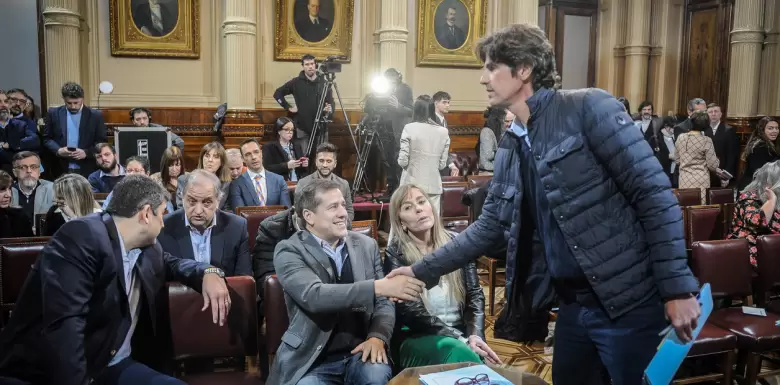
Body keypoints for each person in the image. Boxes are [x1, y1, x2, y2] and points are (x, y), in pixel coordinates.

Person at [386, 24, 700, 385]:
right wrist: (419, 270)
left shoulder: (588, 107)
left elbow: (655, 196)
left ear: (523, 69)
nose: (482, 78)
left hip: (629, 300)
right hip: (572, 304)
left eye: (491, 67)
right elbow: (489, 227)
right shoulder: (511, 143)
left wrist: (677, 288)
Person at [0, 175, 231, 385]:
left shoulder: (149, 247)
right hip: (50, 371)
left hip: (110, 364)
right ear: (146, 214)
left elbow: (172, 264)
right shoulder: (81, 237)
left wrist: (209, 272)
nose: (164, 223)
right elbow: (65, 331)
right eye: (162, 214)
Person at [268, 178, 424, 385]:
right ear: (309, 216)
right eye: (333, 207)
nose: (343, 212)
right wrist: (378, 287)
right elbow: (314, 296)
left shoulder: (367, 245)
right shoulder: (289, 250)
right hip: (312, 360)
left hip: (362, 352)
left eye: (343, 204)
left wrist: (378, 336)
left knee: (375, 376)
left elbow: (385, 303)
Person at [384, 184, 500, 368]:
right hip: (418, 337)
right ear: (401, 222)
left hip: (463, 336)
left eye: (421, 202)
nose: (418, 209)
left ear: (432, 206)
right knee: (459, 355)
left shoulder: (457, 244)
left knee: (471, 360)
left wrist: (475, 335)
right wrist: (460, 339)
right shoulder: (395, 254)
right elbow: (413, 314)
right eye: (408, 207)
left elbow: (475, 295)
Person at [158, 170, 251, 277]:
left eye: (207, 202)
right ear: (182, 198)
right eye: (192, 201)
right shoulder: (162, 227)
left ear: (218, 201)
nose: (198, 211)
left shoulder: (237, 227)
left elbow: (243, 280)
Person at [42, 82, 108, 178]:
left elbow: (101, 141)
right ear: (64, 99)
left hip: (87, 168)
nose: (73, 106)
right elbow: (46, 138)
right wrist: (58, 150)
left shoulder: (95, 115)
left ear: (82, 99)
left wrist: (86, 153)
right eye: (69, 103)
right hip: (60, 167)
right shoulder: (53, 113)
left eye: (76, 103)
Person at [273, 54, 334, 156]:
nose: (310, 66)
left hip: (321, 128)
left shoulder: (324, 82)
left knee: (322, 158)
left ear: (316, 65)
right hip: (302, 128)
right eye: (307, 64)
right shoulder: (296, 82)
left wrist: (330, 110)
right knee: (304, 158)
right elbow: (277, 93)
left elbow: (330, 101)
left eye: (312, 64)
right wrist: (288, 107)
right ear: (303, 66)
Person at [398, 96, 451, 213]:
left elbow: (403, 161)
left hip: (411, 185)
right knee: (432, 223)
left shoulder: (409, 128)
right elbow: (442, 165)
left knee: (409, 223)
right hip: (433, 186)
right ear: (433, 109)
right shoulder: (443, 132)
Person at [728, 161, 780, 268]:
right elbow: (756, 223)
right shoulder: (748, 197)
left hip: (773, 250)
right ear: (770, 184)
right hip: (748, 252)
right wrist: (771, 200)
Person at [296, 142, 354, 223]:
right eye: (321, 161)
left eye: (329, 161)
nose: (325, 165)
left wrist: (338, 224)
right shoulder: (303, 183)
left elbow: (349, 211)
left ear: (335, 164)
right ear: (316, 162)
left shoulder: (343, 184)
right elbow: (298, 212)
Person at [228, 139, 291, 210]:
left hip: (276, 221)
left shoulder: (279, 180)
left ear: (261, 153)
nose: (253, 157)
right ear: (243, 159)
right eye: (248, 154)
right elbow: (239, 215)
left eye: (256, 152)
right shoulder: (236, 184)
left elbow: (286, 212)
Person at [673, 110, 720, 202]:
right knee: (698, 210)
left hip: (684, 179)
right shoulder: (706, 140)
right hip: (701, 181)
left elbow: (677, 160)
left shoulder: (681, 137)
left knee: (685, 208)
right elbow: (713, 166)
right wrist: (717, 160)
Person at [101, 156, 174, 213]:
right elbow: (105, 212)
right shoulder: (117, 191)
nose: (132, 174)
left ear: (147, 174)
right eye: (129, 171)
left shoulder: (158, 192)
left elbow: (169, 215)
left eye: (137, 170)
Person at [176, 142, 233, 210]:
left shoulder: (226, 185)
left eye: (216, 157)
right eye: (207, 155)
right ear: (202, 158)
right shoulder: (184, 180)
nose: (210, 160)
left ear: (222, 162)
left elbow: (227, 212)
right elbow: (181, 208)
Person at [0, 90, 39, 174]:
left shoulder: (24, 124)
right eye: (14, 99)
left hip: (16, 171)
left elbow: (34, 143)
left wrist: (11, 145)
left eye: (22, 101)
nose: (18, 103)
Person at [11, 152, 54, 224]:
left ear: (39, 171)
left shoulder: (53, 189)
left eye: (33, 167)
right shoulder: (8, 191)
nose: (29, 171)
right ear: (15, 172)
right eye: (22, 167)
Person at [738, 117, 780, 190]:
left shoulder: (770, 144)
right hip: (754, 189)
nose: (775, 131)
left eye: (777, 128)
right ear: (762, 130)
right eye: (770, 128)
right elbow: (759, 172)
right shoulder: (760, 147)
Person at [263, 117, 309, 181]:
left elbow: (302, 171)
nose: (290, 132)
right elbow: (267, 169)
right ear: (279, 131)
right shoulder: (269, 147)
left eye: (292, 130)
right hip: (279, 183)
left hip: (297, 183)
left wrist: (304, 165)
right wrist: (286, 166)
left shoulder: (297, 146)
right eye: (286, 129)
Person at [0, 170, 34, 238]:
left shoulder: (19, 217)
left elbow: (29, 246)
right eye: (2, 189)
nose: (8, 195)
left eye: (9, 189)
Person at [477, 107, 507, 175]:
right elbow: (488, 155)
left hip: (495, 170)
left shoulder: (498, 132)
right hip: (487, 172)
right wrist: (502, 152)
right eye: (503, 121)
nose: (504, 124)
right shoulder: (486, 132)